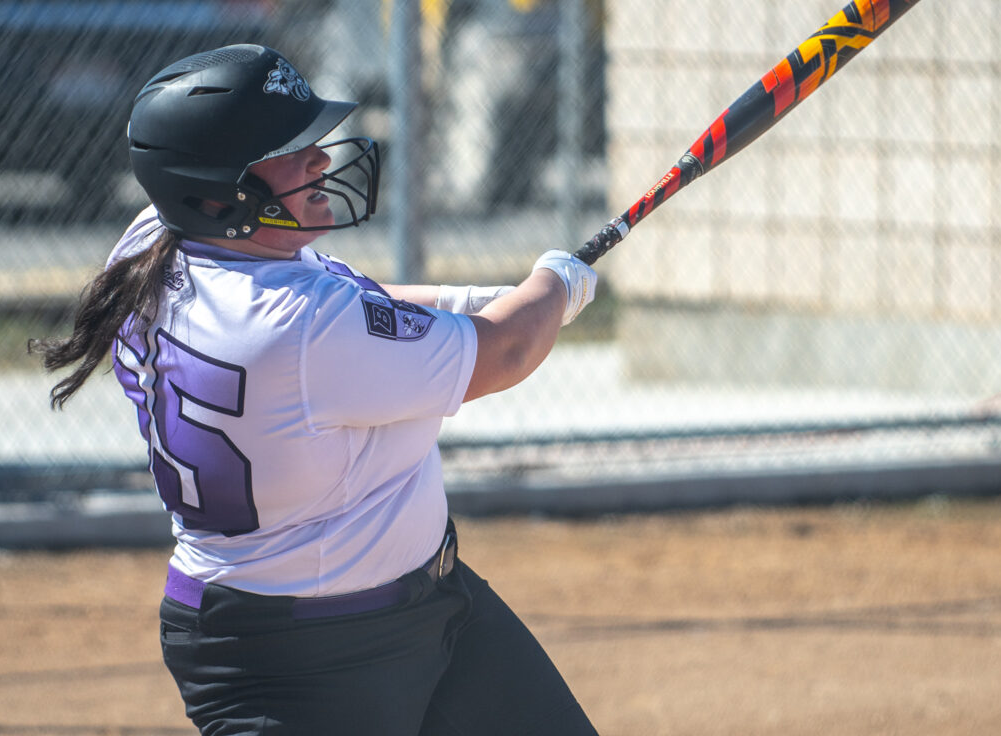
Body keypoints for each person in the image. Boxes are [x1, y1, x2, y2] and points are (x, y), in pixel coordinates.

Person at [30, 43, 599, 735]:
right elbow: (506, 350)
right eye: (287, 148)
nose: (320, 159)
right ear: (219, 192)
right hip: (296, 662)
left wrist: (468, 298)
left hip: (433, 613)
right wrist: (555, 282)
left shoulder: (157, 242)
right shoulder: (295, 329)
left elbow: (353, 304)